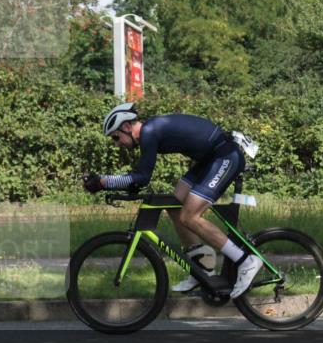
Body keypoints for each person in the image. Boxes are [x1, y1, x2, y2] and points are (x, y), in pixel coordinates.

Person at [82, 103, 261, 299]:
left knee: (190, 217)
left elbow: (142, 178)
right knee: (174, 204)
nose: (117, 144)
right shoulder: (149, 132)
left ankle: (245, 261)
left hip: (224, 156)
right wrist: (108, 182)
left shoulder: (148, 132)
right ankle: (201, 266)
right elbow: (139, 177)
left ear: (126, 127)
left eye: (116, 137)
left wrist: (104, 182)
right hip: (209, 160)